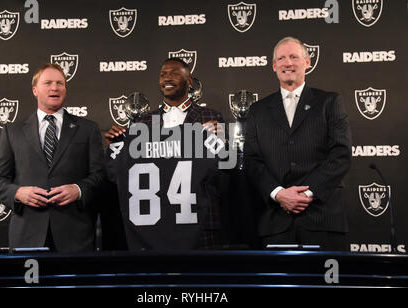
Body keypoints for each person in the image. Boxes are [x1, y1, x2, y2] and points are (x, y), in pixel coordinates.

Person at [244, 37, 352, 250]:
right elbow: (252, 160)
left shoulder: (329, 102)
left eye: (294, 57)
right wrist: (279, 193)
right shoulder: (258, 110)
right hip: (276, 223)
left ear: (308, 62)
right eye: (281, 58)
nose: (288, 63)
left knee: (326, 283)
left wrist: (306, 193)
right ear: (274, 66)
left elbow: (341, 154)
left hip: (323, 220)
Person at [105, 58, 225, 249]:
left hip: (200, 222)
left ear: (190, 81)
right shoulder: (143, 124)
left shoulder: (211, 117)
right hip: (154, 229)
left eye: (175, 73)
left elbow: (225, 167)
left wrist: (222, 142)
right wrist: (117, 146)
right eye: (163, 74)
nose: (167, 78)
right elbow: (121, 174)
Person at [0, 63, 105, 253]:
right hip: (27, 237)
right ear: (35, 90)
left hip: (75, 237)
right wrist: (18, 193)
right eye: (48, 83)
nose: (55, 88)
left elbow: (100, 176)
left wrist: (78, 190)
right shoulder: (13, 131)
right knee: (32, 283)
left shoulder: (88, 129)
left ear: (65, 90)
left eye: (60, 83)